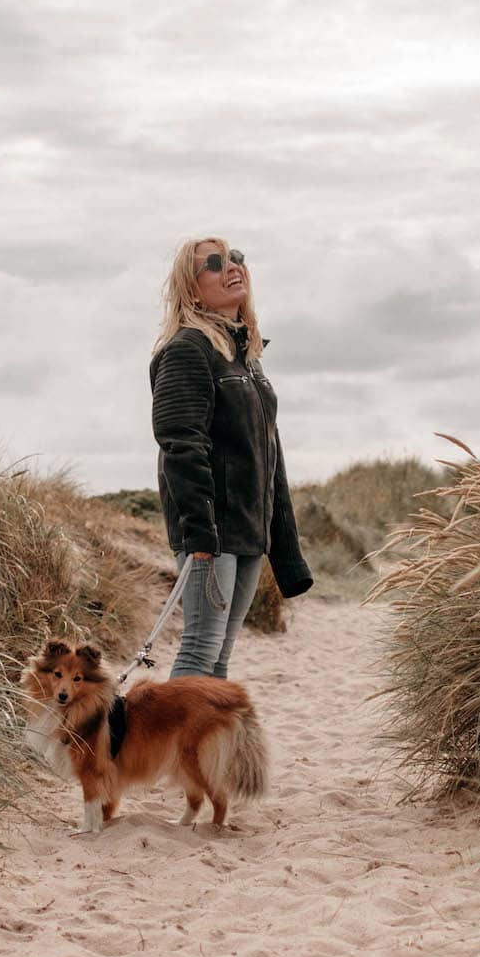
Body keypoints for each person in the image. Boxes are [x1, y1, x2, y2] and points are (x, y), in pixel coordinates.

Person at [149, 236, 313, 679]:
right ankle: (178, 749)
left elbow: (270, 457)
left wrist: (280, 541)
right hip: (212, 534)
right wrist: (201, 536)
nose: (232, 267)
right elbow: (180, 445)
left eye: (235, 258)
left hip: (247, 531)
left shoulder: (248, 362)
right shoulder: (187, 350)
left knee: (220, 655)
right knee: (200, 649)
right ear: (192, 289)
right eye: (215, 264)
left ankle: (200, 749)